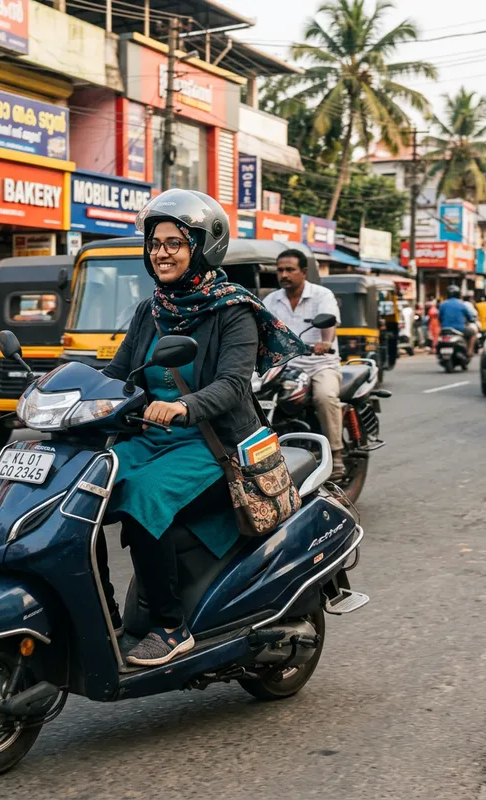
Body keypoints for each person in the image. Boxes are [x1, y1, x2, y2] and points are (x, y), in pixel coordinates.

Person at [100, 189, 305, 668]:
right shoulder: (151, 310)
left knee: (143, 494)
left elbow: (234, 384)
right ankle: (104, 615)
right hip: (151, 440)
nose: (161, 253)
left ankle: (172, 628)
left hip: (215, 447)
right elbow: (117, 372)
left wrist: (184, 408)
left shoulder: (233, 309)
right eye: (155, 243)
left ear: (201, 247)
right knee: (84, 488)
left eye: (174, 242)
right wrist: (66, 393)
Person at [263, 249, 345, 479]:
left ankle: (337, 455)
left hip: (319, 364)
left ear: (304, 272)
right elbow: (261, 329)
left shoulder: (322, 295)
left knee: (325, 396)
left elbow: (329, 324)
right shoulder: (271, 299)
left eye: (290, 269)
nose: (284, 274)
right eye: (280, 270)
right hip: (284, 367)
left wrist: (325, 343)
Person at [438, 287, 473, 351]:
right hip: (459, 329)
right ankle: (469, 351)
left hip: (445, 329)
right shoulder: (461, 304)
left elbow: (440, 318)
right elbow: (469, 317)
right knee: (472, 333)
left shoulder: (443, 304)